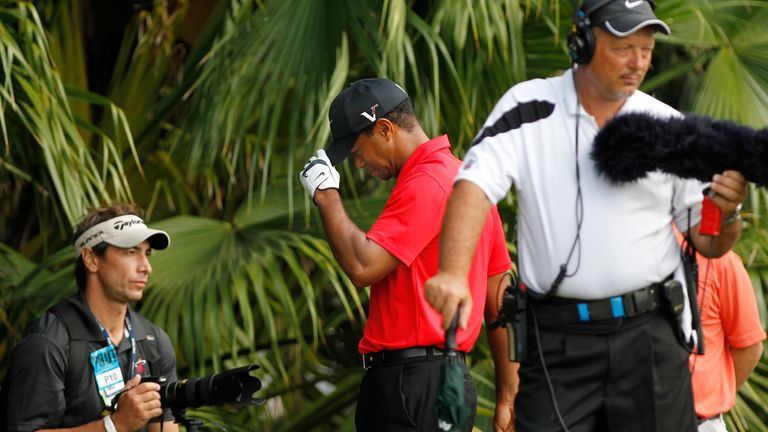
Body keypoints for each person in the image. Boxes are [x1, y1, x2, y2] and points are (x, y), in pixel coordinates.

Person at [424, 1, 748, 431]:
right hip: (557, 343)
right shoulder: (527, 108)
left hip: (650, 338)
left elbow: (705, 239)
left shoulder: (666, 123)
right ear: (582, 41)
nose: (638, 62)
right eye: (624, 48)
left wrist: (724, 215)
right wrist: (451, 273)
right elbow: (474, 187)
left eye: (647, 49)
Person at [298, 78, 512, 431]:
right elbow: (500, 299)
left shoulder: (427, 182)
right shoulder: (465, 178)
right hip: (440, 380)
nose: (360, 165)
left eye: (357, 152)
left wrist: (326, 195)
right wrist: (508, 393)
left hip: (412, 386)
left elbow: (363, 266)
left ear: (384, 129)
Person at [3, 204, 179, 432]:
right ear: (91, 259)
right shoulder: (49, 341)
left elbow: (164, 427)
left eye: (146, 254)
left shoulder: (154, 341)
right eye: (131, 252)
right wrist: (114, 425)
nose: (146, 267)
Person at [690, 249, 765, 432]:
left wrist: (711, 400)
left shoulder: (721, 260)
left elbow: (749, 348)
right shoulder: (632, 259)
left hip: (700, 423)